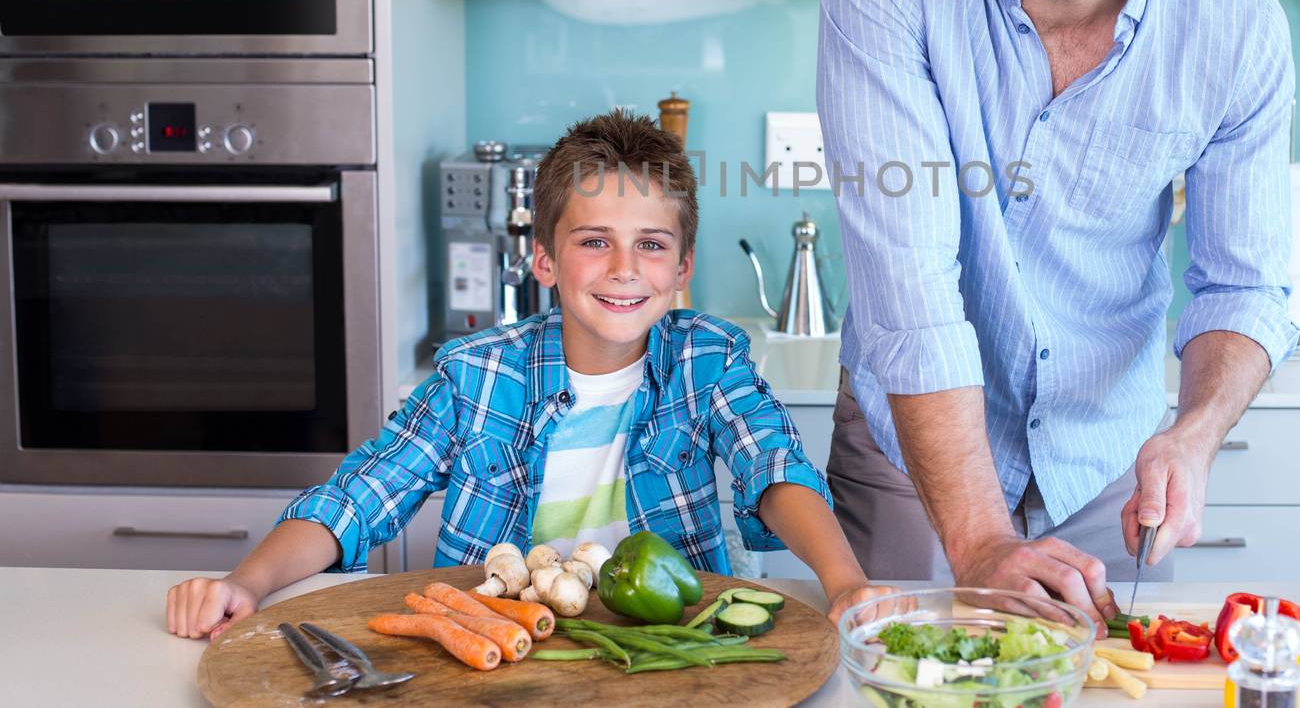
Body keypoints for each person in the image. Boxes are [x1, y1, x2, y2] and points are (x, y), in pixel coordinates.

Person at [817, 0, 1298, 625]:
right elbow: (908, 284)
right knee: (906, 688)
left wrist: (1192, 434)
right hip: (916, 463)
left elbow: (1243, 284)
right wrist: (981, 537)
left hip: (1104, 465)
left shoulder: (1233, 25)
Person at [167, 111, 890, 639]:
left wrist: (845, 579)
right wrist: (245, 582)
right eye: (594, 241)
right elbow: (359, 496)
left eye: (651, 244)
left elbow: (774, 465)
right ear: (544, 259)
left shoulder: (709, 360)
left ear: (682, 267)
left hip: (670, 660)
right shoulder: (475, 375)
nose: (624, 269)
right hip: (503, 658)